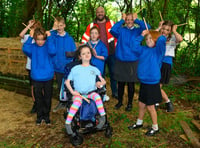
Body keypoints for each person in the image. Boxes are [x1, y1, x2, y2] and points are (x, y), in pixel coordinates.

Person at [128, 30, 167, 136]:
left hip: (152, 83)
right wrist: (142, 35)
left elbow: (162, 40)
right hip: (144, 81)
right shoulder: (143, 49)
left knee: (150, 106)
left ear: (155, 39)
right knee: (141, 104)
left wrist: (158, 32)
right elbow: (133, 45)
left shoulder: (158, 51)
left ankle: (155, 127)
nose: (148, 40)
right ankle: (139, 123)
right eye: (147, 39)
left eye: (151, 38)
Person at [110, 13, 150, 111]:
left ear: (133, 21)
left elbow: (147, 27)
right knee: (121, 84)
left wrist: (137, 19)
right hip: (121, 60)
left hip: (133, 61)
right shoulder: (121, 30)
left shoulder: (137, 30)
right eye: (127, 20)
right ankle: (120, 102)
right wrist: (121, 20)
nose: (129, 21)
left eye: (131, 20)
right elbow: (112, 30)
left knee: (131, 84)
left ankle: (130, 104)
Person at [65, 44, 106, 135]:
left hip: (90, 92)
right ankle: (68, 123)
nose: (86, 55)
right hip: (79, 94)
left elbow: (103, 81)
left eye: (88, 53)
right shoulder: (75, 69)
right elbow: (67, 82)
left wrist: (100, 83)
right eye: (83, 54)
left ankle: (103, 117)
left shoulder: (94, 69)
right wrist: (72, 92)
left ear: (91, 54)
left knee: (98, 97)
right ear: (80, 57)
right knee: (76, 103)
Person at [81, 6, 118, 99]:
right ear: (96, 13)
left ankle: (115, 92)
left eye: (102, 12)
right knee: (99, 74)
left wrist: (117, 49)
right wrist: (83, 51)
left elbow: (118, 36)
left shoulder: (112, 23)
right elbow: (85, 39)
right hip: (96, 56)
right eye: (98, 12)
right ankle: (101, 92)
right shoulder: (91, 25)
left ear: (104, 12)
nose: (100, 13)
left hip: (111, 53)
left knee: (113, 73)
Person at [22, 27, 56, 125]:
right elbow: (25, 49)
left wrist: (49, 38)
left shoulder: (48, 46)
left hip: (48, 76)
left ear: (45, 39)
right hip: (36, 77)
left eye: (42, 39)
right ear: (35, 39)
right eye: (38, 39)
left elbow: (53, 51)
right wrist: (30, 37)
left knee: (47, 97)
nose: (40, 42)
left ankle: (46, 116)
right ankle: (39, 116)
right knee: (38, 98)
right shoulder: (32, 47)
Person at [156, 20, 183, 112]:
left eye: (167, 30)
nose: (164, 31)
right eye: (163, 29)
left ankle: (167, 103)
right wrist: (159, 27)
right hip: (157, 62)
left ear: (170, 31)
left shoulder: (172, 38)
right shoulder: (159, 37)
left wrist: (174, 31)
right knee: (155, 83)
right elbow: (150, 36)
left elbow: (180, 39)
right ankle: (159, 102)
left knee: (157, 85)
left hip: (166, 63)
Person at [51, 17, 77, 112]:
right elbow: (49, 43)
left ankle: (69, 104)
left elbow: (74, 52)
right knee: (59, 86)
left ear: (64, 25)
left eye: (61, 25)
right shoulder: (53, 37)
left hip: (67, 67)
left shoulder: (69, 39)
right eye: (57, 26)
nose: (59, 27)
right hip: (57, 67)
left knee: (68, 86)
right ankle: (61, 102)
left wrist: (70, 57)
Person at [19, 19, 42, 113]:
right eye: (33, 27)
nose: (34, 28)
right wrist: (28, 25)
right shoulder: (28, 37)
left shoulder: (41, 38)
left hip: (40, 66)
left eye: (36, 27)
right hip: (30, 66)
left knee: (42, 86)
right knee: (33, 86)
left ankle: (41, 102)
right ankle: (35, 103)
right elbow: (21, 35)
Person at [87, 26, 109, 101]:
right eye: (92, 33)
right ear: (89, 34)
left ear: (98, 35)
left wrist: (96, 55)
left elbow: (105, 57)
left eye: (95, 33)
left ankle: (102, 95)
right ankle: (90, 96)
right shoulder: (87, 44)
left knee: (99, 82)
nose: (93, 35)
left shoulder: (101, 44)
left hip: (99, 67)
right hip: (88, 67)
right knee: (90, 82)